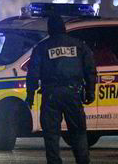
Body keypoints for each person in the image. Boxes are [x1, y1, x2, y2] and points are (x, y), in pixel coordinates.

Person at [25, 15, 96, 164]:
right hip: (73, 93)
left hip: (50, 95)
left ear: (49, 29)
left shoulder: (42, 47)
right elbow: (90, 69)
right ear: (64, 28)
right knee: (78, 132)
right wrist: (90, 91)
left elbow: (33, 73)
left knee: (51, 135)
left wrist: (30, 95)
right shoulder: (79, 45)